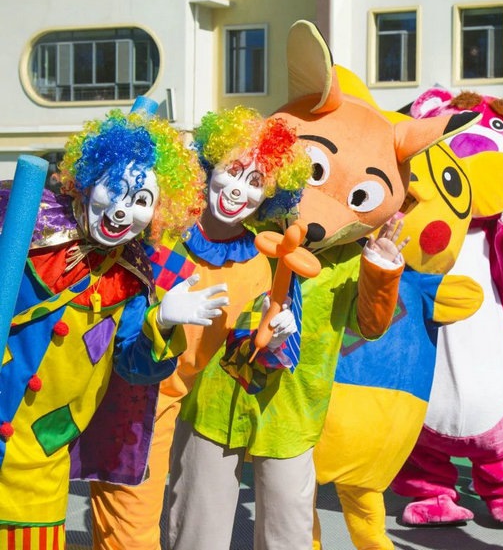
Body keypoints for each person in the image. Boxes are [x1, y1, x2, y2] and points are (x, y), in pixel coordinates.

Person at [89, 106, 311, 550]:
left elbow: (241, 362)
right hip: (110, 385)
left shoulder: (256, 265)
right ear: (210, 165)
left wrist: (271, 339)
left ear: (270, 195)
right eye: (233, 170)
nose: (238, 189)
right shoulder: (161, 224)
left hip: (157, 407)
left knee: (131, 534)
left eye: (255, 181)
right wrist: (160, 316)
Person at [0, 104, 212, 546]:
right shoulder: (26, 227)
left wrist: (162, 323)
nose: (121, 209)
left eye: (141, 200)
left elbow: (133, 367)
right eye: (113, 188)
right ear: (86, 182)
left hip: (40, 456)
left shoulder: (133, 280)